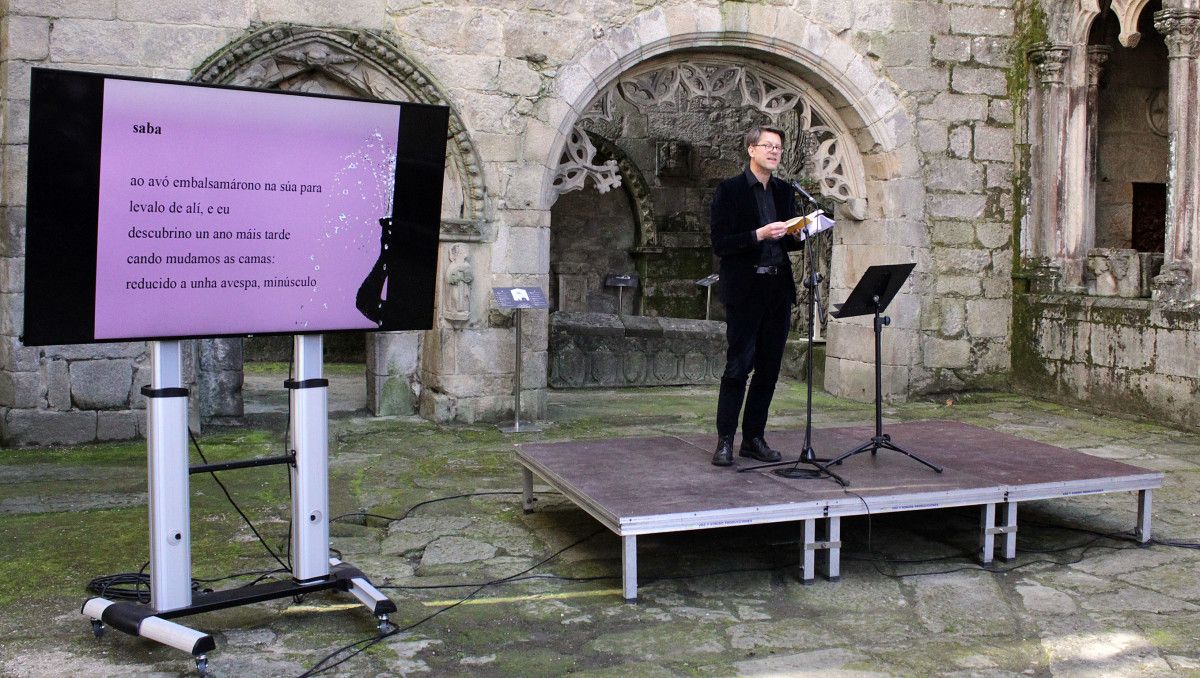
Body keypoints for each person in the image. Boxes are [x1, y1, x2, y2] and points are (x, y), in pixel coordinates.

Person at [709, 125, 805, 466]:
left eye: (778, 147)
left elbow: (790, 243)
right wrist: (758, 234)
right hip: (746, 291)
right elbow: (721, 243)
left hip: (777, 290)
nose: (775, 152)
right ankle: (724, 441)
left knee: (768, 370)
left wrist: (801, 232)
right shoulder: (730, 190)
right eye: (768, 146)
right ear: (751, 149)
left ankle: (753, 438)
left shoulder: (783, 191)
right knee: (738, 367)